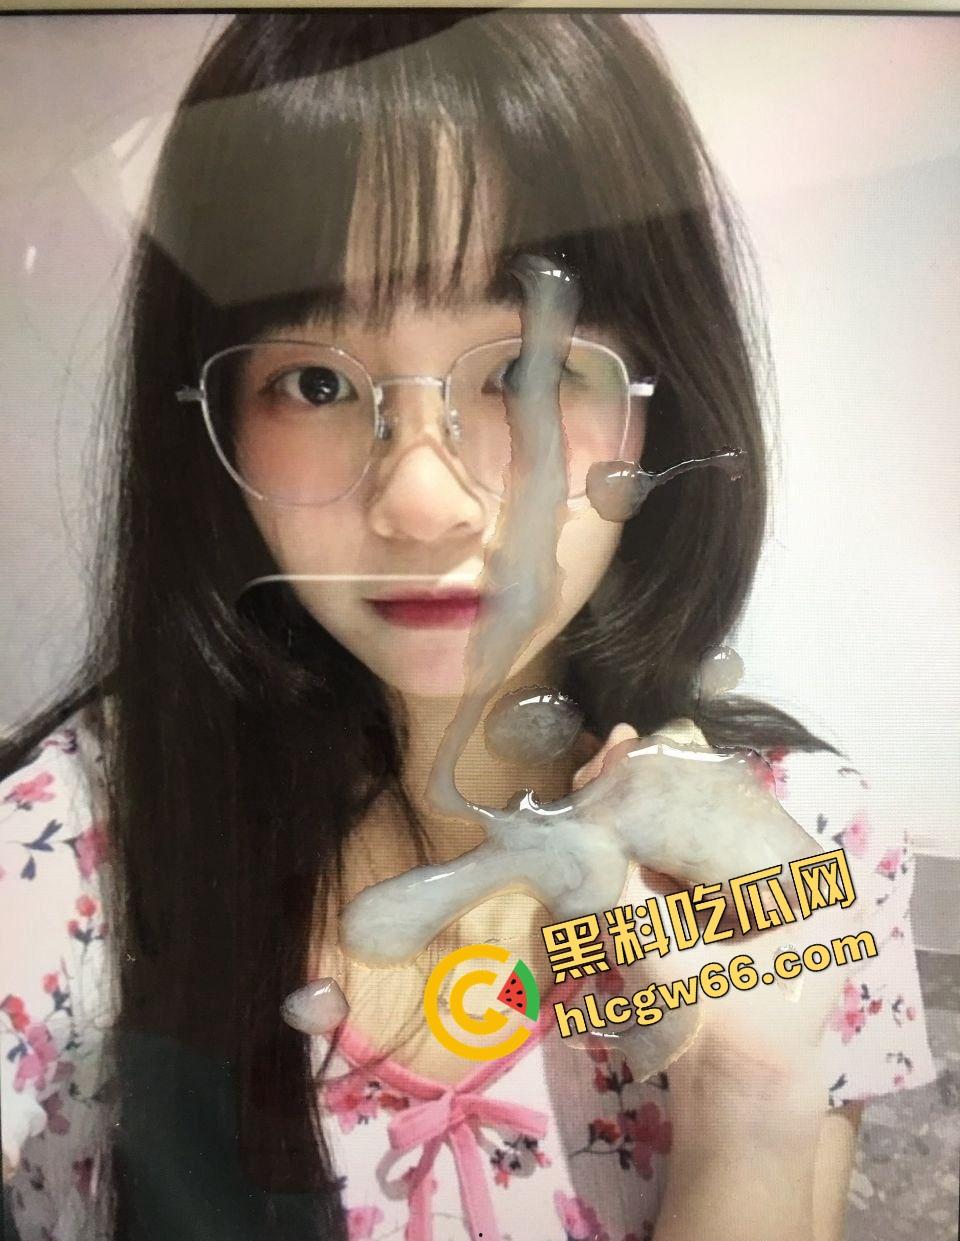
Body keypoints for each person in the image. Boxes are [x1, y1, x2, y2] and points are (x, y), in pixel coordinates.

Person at [0, 11, 936, 1241]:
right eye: (316, 383)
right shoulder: (72, 850)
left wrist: (748, 1097)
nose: (422, 503)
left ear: (657, 406)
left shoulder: (798, 843)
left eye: (527, 372)